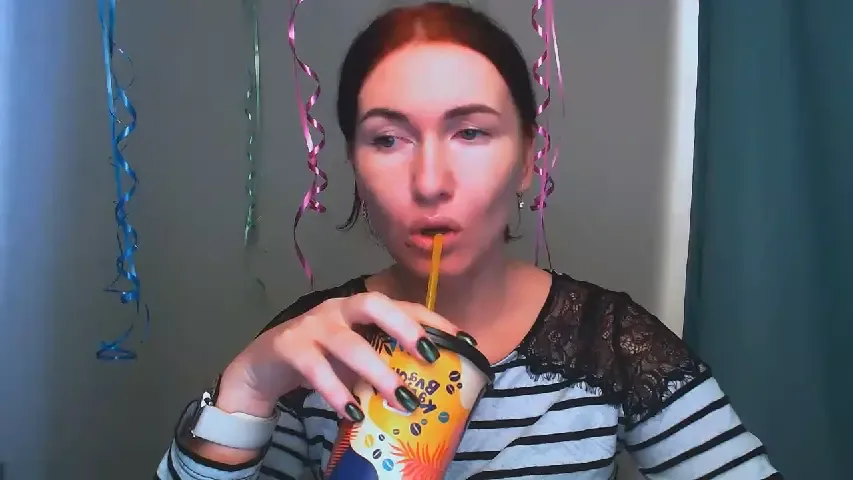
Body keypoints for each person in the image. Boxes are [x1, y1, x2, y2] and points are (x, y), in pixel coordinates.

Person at [156, 3, 781, 479]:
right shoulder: (316, 346)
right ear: (353, 164)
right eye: (388, 139)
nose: (430, 182)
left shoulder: (611, 341)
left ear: (528, 159)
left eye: (471, 133)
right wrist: (248, 388)